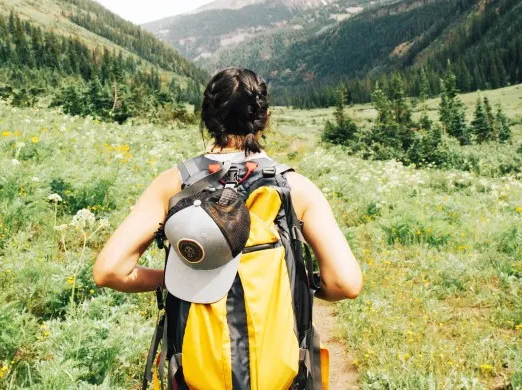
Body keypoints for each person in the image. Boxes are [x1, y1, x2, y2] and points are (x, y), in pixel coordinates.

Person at [93, 67, 362, 302]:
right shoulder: (296, 188)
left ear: (207, 119)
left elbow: (110, 271)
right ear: (265, 118)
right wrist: (294, 283)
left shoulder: (173, 183)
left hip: (194, 357)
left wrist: (174, 280)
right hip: (276, 358)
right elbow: (345, 283)